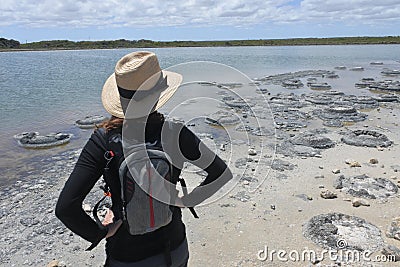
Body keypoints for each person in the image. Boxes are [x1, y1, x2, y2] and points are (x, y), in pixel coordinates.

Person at [55, 51, 233, 267]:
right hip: (174, 248)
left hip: (127, 255)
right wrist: (188, 200)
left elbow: (66, 207)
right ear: (159, 94)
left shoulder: (105, 140)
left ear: (121, 97)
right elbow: (221, 173)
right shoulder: (175, 132)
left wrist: (101, 232)